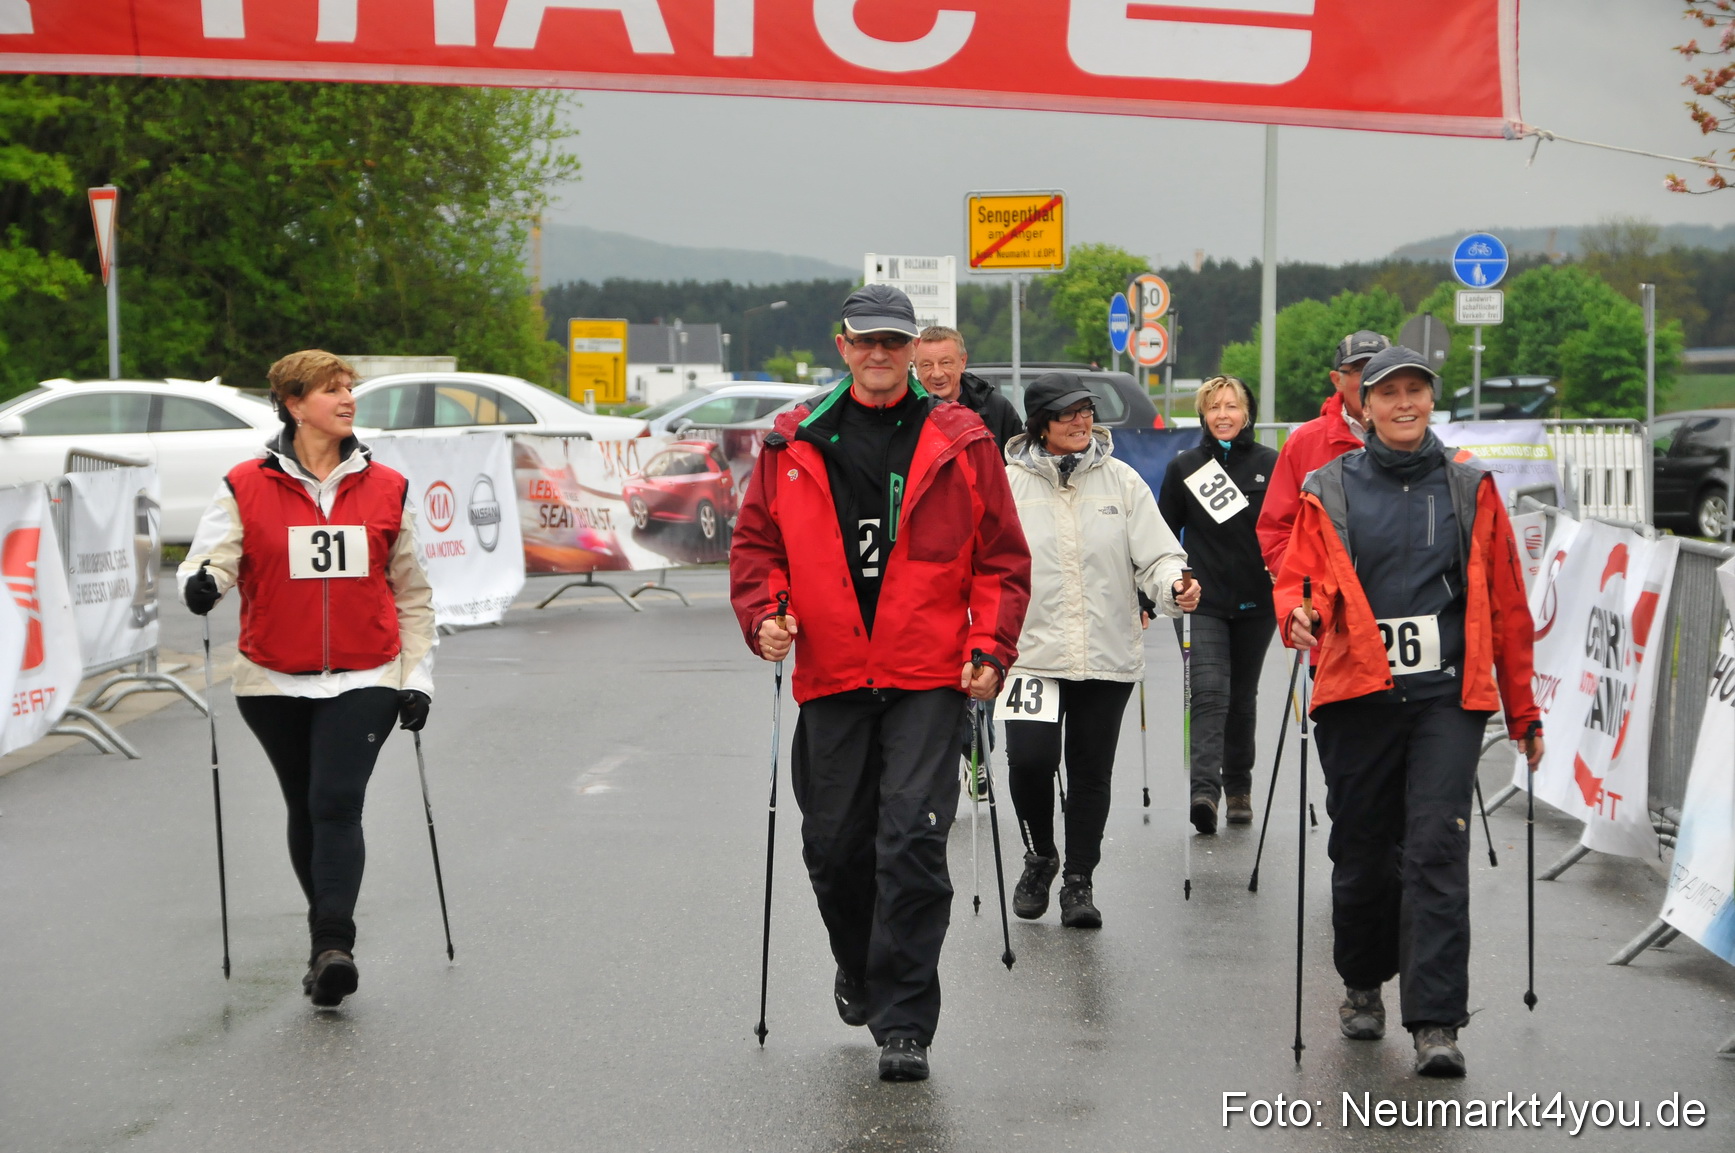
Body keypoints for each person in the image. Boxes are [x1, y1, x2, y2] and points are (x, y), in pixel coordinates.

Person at [729, 284, 1031, 1083]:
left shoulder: (961, 440)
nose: (878, 354)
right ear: (842, 346)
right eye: (864, 340)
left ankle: (904, 1019)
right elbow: (757, 547)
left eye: (892, 342)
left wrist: (990, 646)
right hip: (831, 670)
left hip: (927, 672)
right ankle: (858, 962)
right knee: (833, 846)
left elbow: (1001, 558)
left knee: (912, 837)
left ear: (911, 351)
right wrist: (765, 612)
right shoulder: (792, 439)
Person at [1275, 346, 1544, 1079]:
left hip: (1445, 698)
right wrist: (1298, 614)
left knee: (1434, 846)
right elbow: (1302, 580)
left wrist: (1523, 711)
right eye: (1387, 392)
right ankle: (1362, 983)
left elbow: (1508, 605)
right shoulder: (1329, 487)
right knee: (1362, 851)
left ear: (1430, 400)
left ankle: (1435, 1021)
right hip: (1356, 695)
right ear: (1361, 406)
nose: (1403, 404)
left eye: (1415, 391)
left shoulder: (1469, 487)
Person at [179, 349, 435, 1010]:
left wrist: (418, 677)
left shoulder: (388, 486)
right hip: (271, 679)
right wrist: (202, 583)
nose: (348, 398)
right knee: (305, 804)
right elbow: (211, 560)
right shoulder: (244, 483)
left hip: (367, 672)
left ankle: (333, 947)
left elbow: (412, 592)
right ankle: (324, 945)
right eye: (331, 389)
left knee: (336, 801)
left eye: (350, 387)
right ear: (293, 404)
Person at [1003, 372, 1198, 928]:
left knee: (1091, 773)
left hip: (1106, 649)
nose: (1081, 421)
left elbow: (1159, 556)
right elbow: (980, 562)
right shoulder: (1005, 484)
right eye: (1068, 413)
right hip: (1029, 653)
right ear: (1040, 423)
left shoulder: (1122, 480)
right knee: (1030, 761)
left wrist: (1175, 585)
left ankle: (1078, 882)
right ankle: (1040, 856)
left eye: (1087, 410)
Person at [1157, 375, 1280, 833]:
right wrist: (1157, 592)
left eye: (1231, 406)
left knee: (1242, 699)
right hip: (1202, 601)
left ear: (1247, 413)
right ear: (1203, 415)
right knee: (1208, 692)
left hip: (1256, 602)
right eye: (1214, 407)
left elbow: (1285, 529)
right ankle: (1204, 793)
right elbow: (1163, 535)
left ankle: (1239, 788)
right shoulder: (1185, 466)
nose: (1223, 414)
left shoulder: (1271, 463)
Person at [1256, 329, 1391, 578]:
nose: (1370, 379)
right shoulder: (1304, 443)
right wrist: (1306, 584)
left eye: (1379, 369)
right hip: (1327, 594)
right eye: (1359, 370)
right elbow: (1277, 530)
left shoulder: (1414, 443)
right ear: (1337, 379)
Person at [913, 325, 1023, 451]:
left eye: (945, 363)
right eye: (927, 365)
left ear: (963, 361)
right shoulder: (905, 413)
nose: (937, 374)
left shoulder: (997, 409)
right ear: (916, 367)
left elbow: (1019, 459)